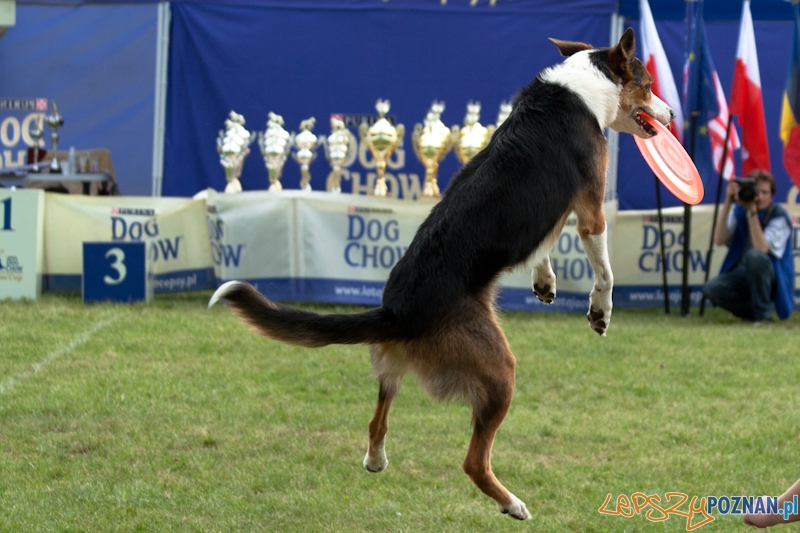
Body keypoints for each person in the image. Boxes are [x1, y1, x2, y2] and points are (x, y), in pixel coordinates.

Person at [702, 169, 794, 323]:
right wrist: (728, 201)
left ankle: (763, 315)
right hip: (743, 275)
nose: (760, 197)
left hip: (770, 279)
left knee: (755, 256)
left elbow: (761, 249)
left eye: (765, 193)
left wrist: (751, 211)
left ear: (772, 196)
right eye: (756, 192)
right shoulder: (739, 210)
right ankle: (755, 314)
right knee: (711, 288)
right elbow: (718, 239)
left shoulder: (779, 216)